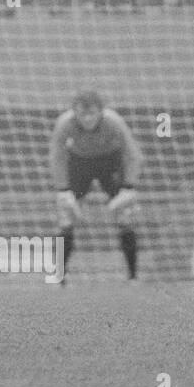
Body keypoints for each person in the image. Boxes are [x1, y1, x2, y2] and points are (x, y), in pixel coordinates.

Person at [49, 90, 145, 281]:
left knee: (125, 218)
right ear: (74, 113)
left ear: (101, 111)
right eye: (82, 114)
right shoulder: (64, 123)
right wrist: (62, 190)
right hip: (79, 163)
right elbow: (57, 156)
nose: (87, 119)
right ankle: (59, 278)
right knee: (65, 219)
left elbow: (133, 154)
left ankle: (133, 278)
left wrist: (129, 187)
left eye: (92, 113)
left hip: (109, 162)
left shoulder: (114, 121)